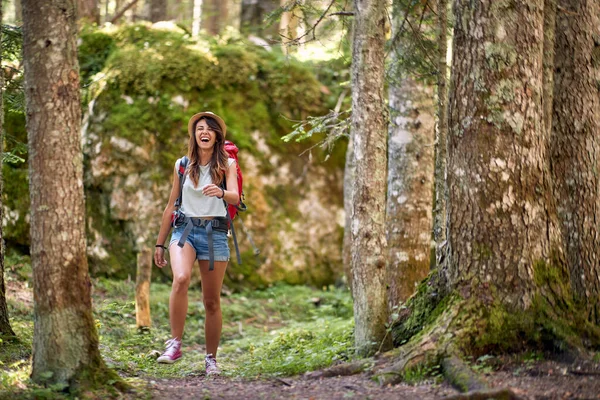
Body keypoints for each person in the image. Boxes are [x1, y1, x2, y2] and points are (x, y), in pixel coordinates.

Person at [153, 111, 239, 376]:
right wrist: (159, 244)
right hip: (185, 230)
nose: (204, 132)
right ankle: (175, 344)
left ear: (216, 136)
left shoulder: (227, 164)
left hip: (214, 233)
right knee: (180, 278)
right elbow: (171, 206)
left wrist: (221, 191)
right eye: (200, 128)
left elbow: (236, 197)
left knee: (211, 301)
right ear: (194, 134)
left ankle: (211, 359)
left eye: (209, 129)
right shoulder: (182, 164)